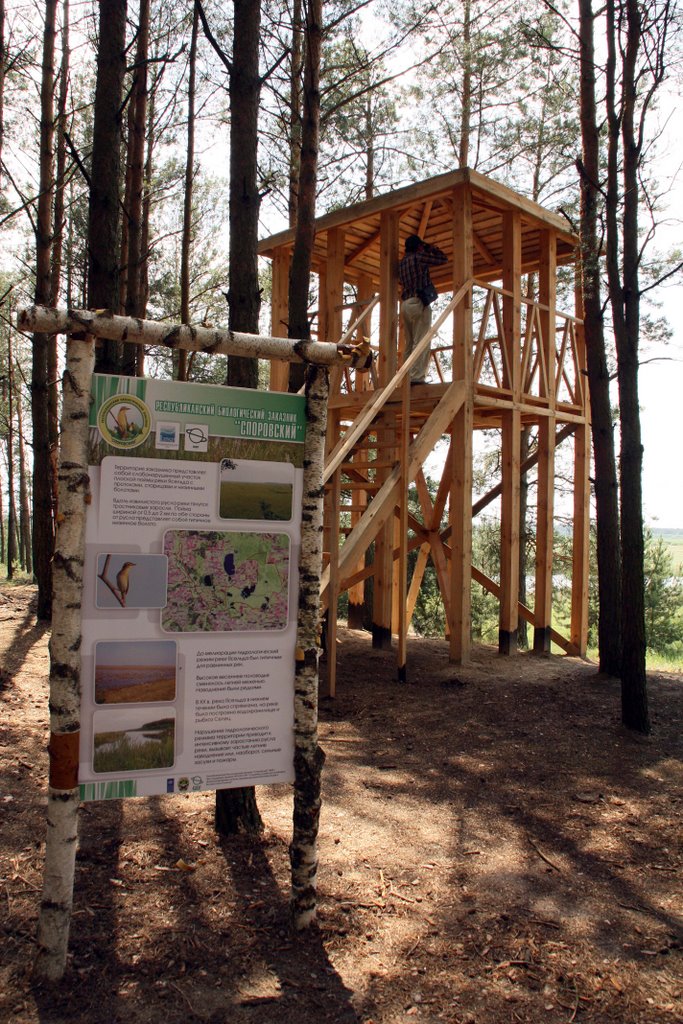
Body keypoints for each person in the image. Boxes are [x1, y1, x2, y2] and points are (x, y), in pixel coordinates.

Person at [398, 234, 447, 383]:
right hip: (418, 303)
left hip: (405, 304)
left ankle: (406, 377)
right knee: (421, 341)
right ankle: (417, 377)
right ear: (419, 246)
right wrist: (430, 248)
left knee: (409, 343)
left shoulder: (402, 263)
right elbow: (442, 259)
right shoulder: (419, 257)